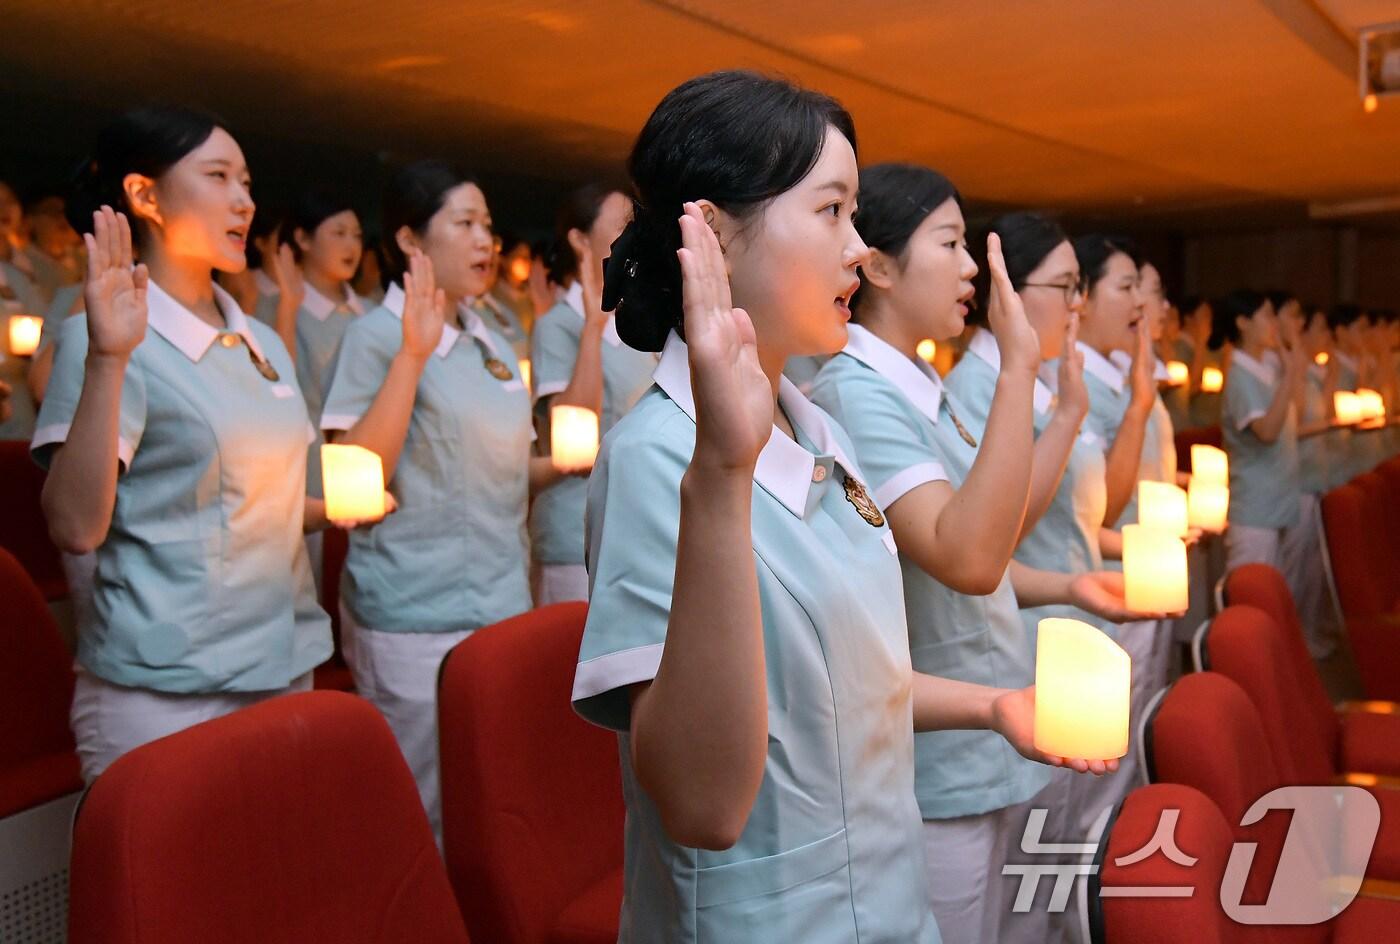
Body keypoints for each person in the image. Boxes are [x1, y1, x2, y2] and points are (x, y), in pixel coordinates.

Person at [571, 70, 1108, 944]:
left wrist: (989, 706)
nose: (858, 247)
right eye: (831, 212)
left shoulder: (821, 430)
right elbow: (704, 804)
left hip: (891, 904)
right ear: (711, 230)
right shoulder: (658, 459)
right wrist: (720, 475)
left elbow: (847, 684)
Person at [810, 166, 1139, 943]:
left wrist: (1070, 584)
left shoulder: (922, 384)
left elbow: (990, 551)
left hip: (992, 722)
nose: (968, 270)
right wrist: (1024, 373)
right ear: (881, 267)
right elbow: (964, 556)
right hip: (938, 755)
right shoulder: (856, 393)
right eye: (952, 244)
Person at [31, 106, 366, 781]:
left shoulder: (261, 343)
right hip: (166, 690)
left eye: (246, 181)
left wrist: (341, 506)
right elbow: (73, 525)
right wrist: (107, 359)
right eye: (218, 177)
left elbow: (249, 505)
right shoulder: (104, 339)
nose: (243, 200)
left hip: (281, 663)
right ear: (144, 195)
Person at [320, 159, 552, 840]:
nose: (487, 240)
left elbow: (494, 474)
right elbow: (358, 473)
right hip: (414, 617)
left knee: (496, 807)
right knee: (421, 817)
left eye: (489, 224)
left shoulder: (491, 340)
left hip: (502, 604)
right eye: (466, 224)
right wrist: (411, 357)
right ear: (412, 244)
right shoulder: (373, 338)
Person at [529, 183, 657, 603]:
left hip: (636, 525)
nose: (632, 234)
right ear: (580, 240)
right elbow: (571, 428)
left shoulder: (636, 324)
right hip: (575, 533)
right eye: (621, 225)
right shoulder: (559, 325)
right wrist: (592, 328)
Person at [1213, 290, 1303, 571]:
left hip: (1275, 503)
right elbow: (1267, 432)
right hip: (1255, 511)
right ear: (1242, 322)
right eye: (1266, 314)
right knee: (1252, 597)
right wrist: (1289, 375)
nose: (1274, 322)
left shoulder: (1262, 369)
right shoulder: (1240, 376)